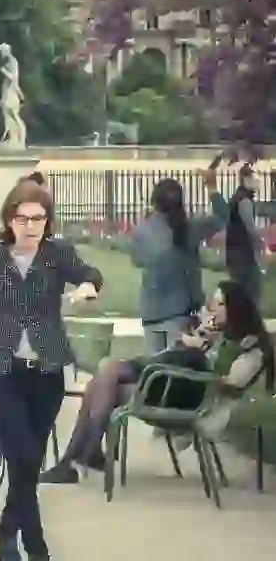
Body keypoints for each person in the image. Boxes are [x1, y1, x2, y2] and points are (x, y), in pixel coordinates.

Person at [0, 179, 102, 561]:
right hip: (1, 371)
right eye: (22, 218)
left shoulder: (57, 255)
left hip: (45, 374)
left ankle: (9, 536)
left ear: (47, 221)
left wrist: (89, 286)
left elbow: (91, 273)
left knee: (28, 462)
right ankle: (34, 545)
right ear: (10, 220)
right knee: (22, 457)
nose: (30, 225)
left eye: (38, 218)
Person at [41, 279, 274, 484]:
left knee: (107, 374)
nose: (213, 309)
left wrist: (200, 352)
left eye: (220, 304)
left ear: (237, 309)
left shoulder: (251, 347)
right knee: (100, 382)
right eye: (214, 303)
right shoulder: (220, 333)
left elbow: (231, 383)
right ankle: (79, 456)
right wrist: (199, 341)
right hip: (173, 382)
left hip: (191, 396)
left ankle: (80, 456)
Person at [128, 176, 228, 353]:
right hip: (182, 312)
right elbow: (223, 216)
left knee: (157, 368)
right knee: (178, 369)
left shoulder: (143, 230)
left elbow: (137, 260)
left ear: (154, 202)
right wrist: (212, 188)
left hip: (151, 311)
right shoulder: (192, 227)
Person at [225, 164, 266, 302]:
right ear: (245, 179)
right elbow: (250, 227)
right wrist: (261, 244)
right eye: (253, 177)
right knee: (252, 291)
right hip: (243, 254)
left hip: (234, 252)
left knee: (240, 291)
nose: (257, 181)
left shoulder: (237, 197)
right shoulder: (244, 200)